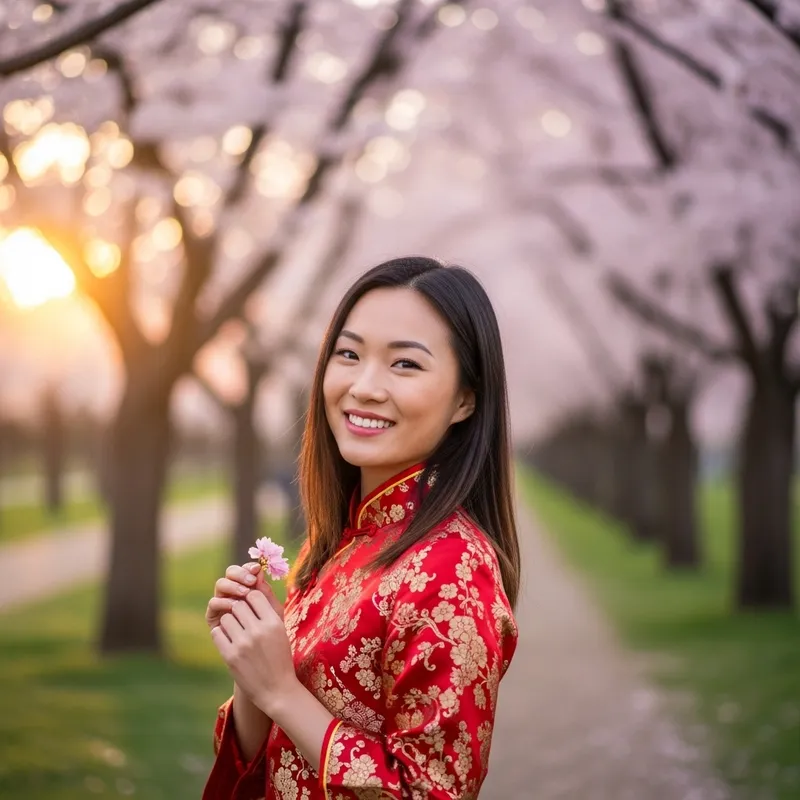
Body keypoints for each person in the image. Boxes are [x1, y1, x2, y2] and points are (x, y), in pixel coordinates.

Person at [203, 256, 521, 799]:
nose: (365, 387)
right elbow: (273, 759)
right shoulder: (341, 544)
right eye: (348, 355)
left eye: (405, 365)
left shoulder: (452, 570)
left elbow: (432, 792)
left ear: (465, 399)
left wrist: (282, 689)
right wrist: (253, 670)